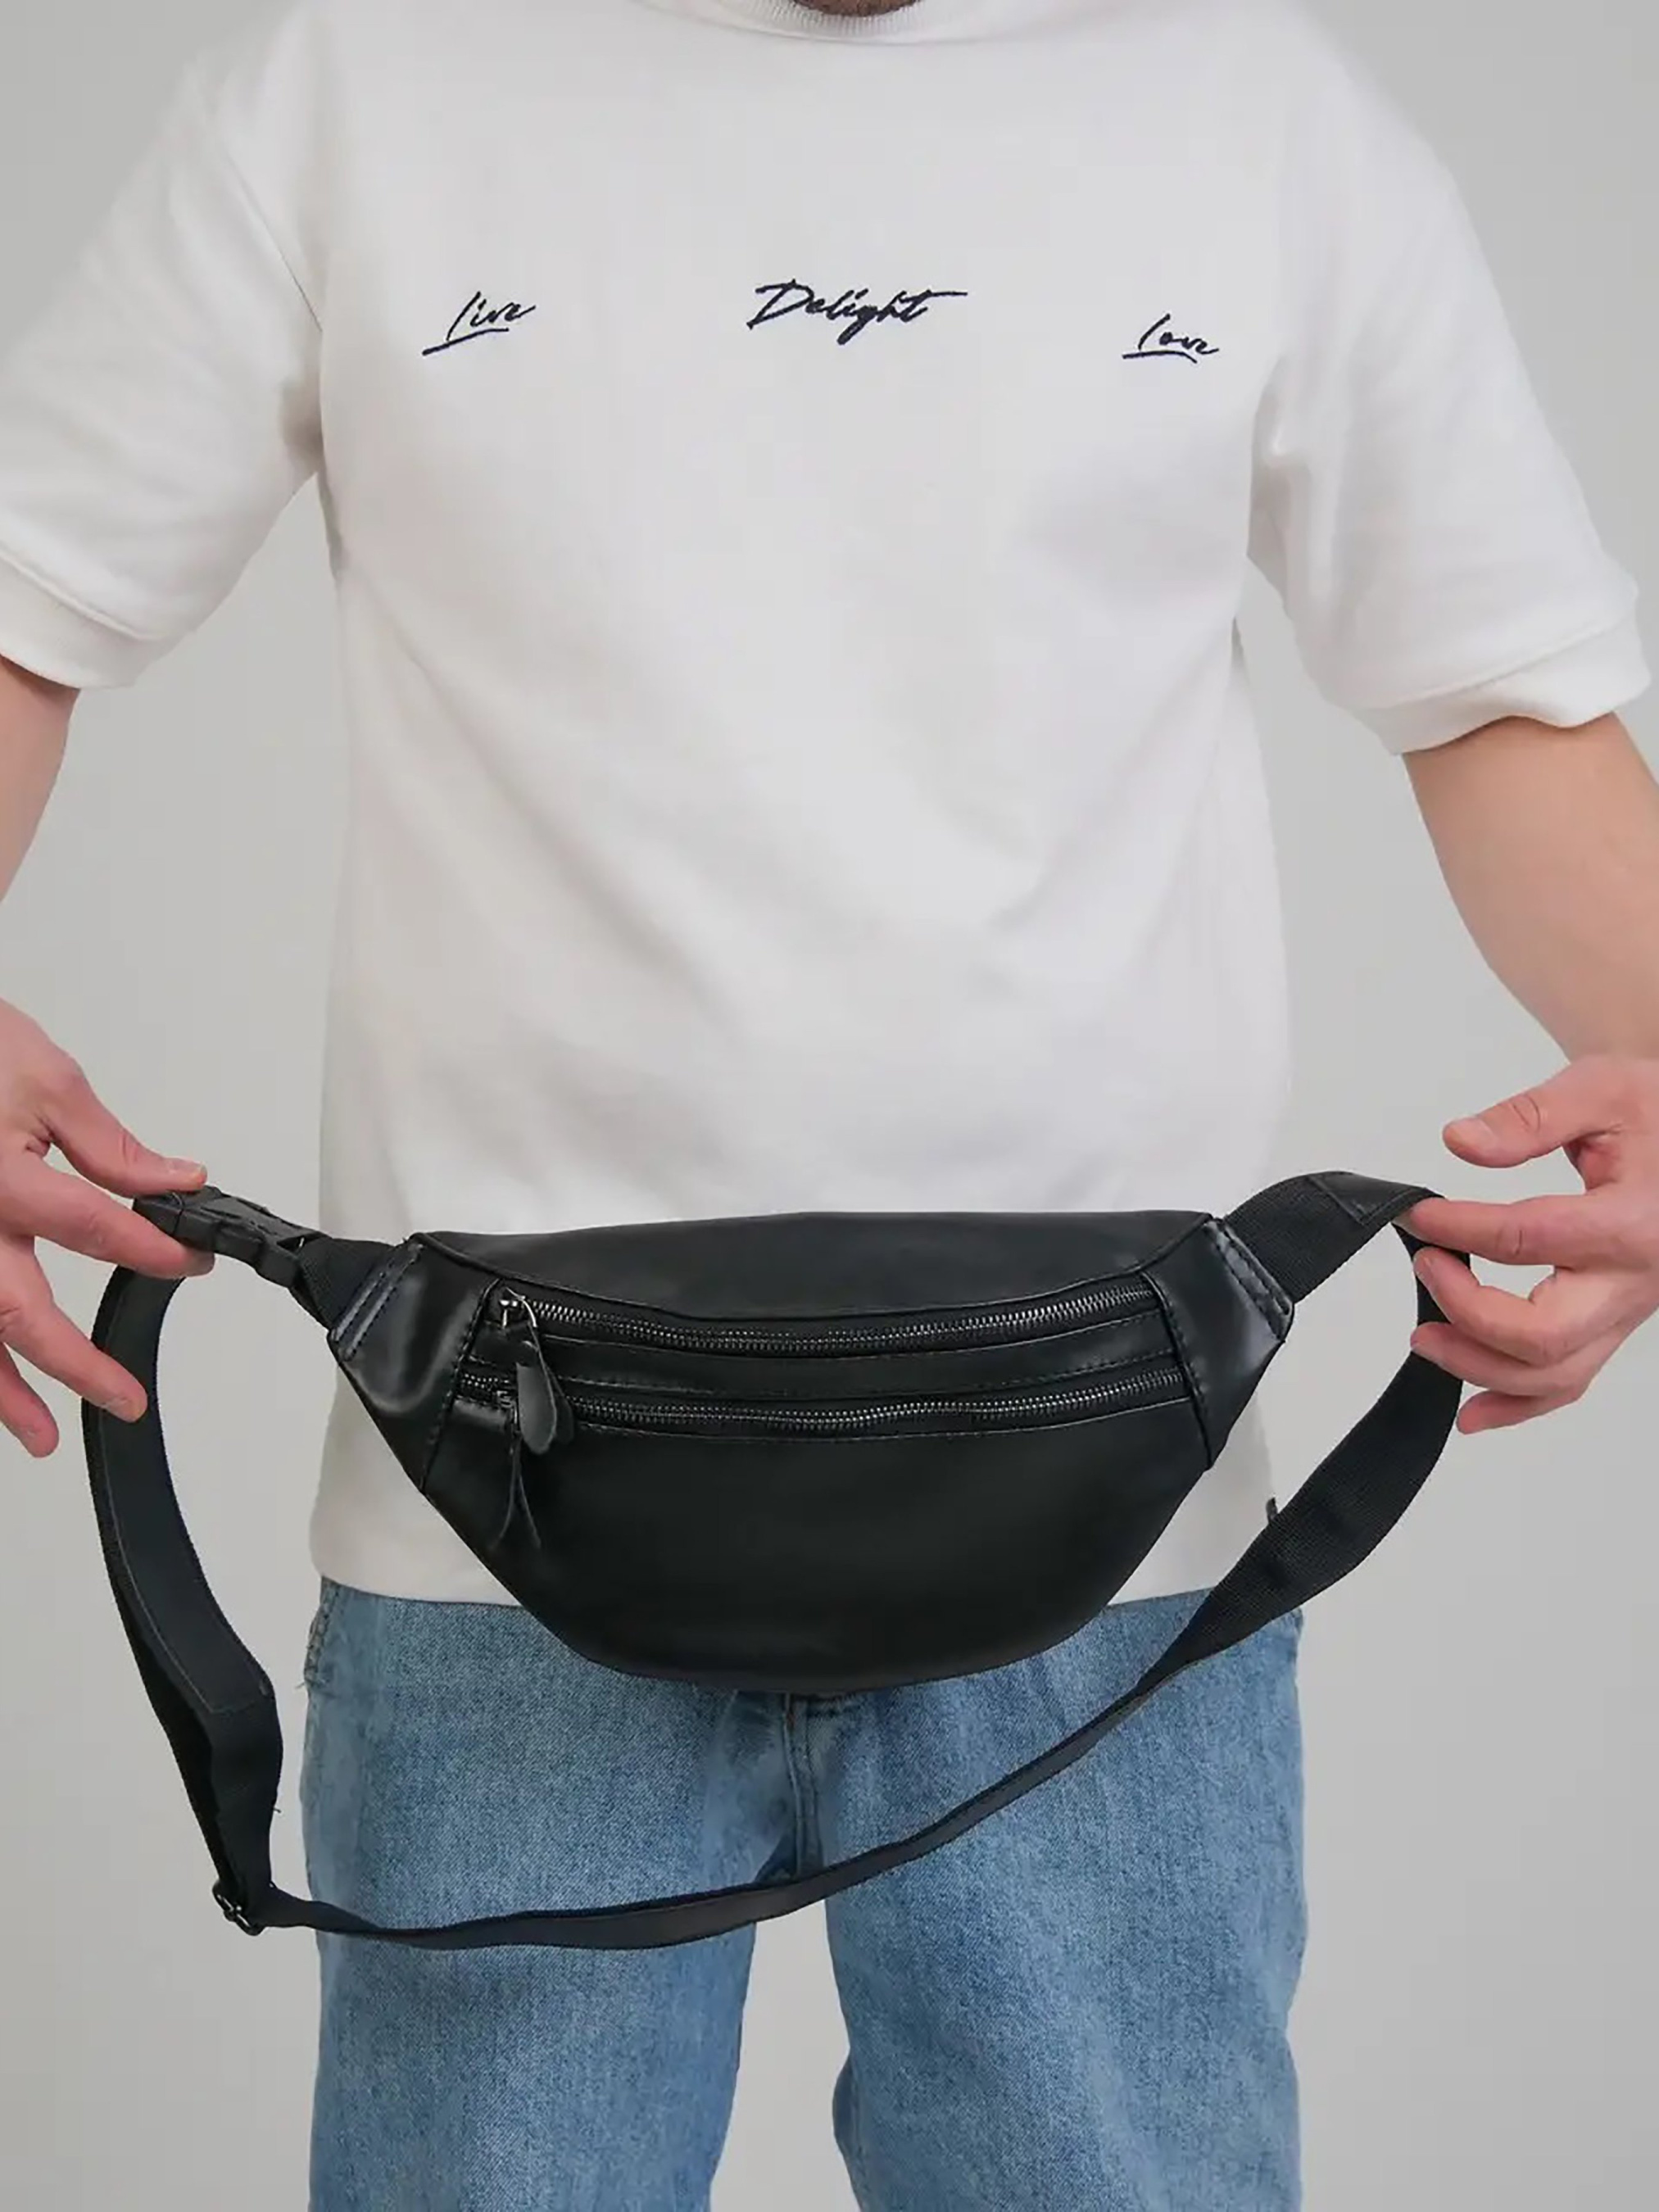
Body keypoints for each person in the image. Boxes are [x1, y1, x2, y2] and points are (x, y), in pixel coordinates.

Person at [2, 0, 1657, 2204]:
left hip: (1115, 1533)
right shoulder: (358, 77)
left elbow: (1498, 692)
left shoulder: (1256, 106)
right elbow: (29, 591)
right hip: (495, 1523)